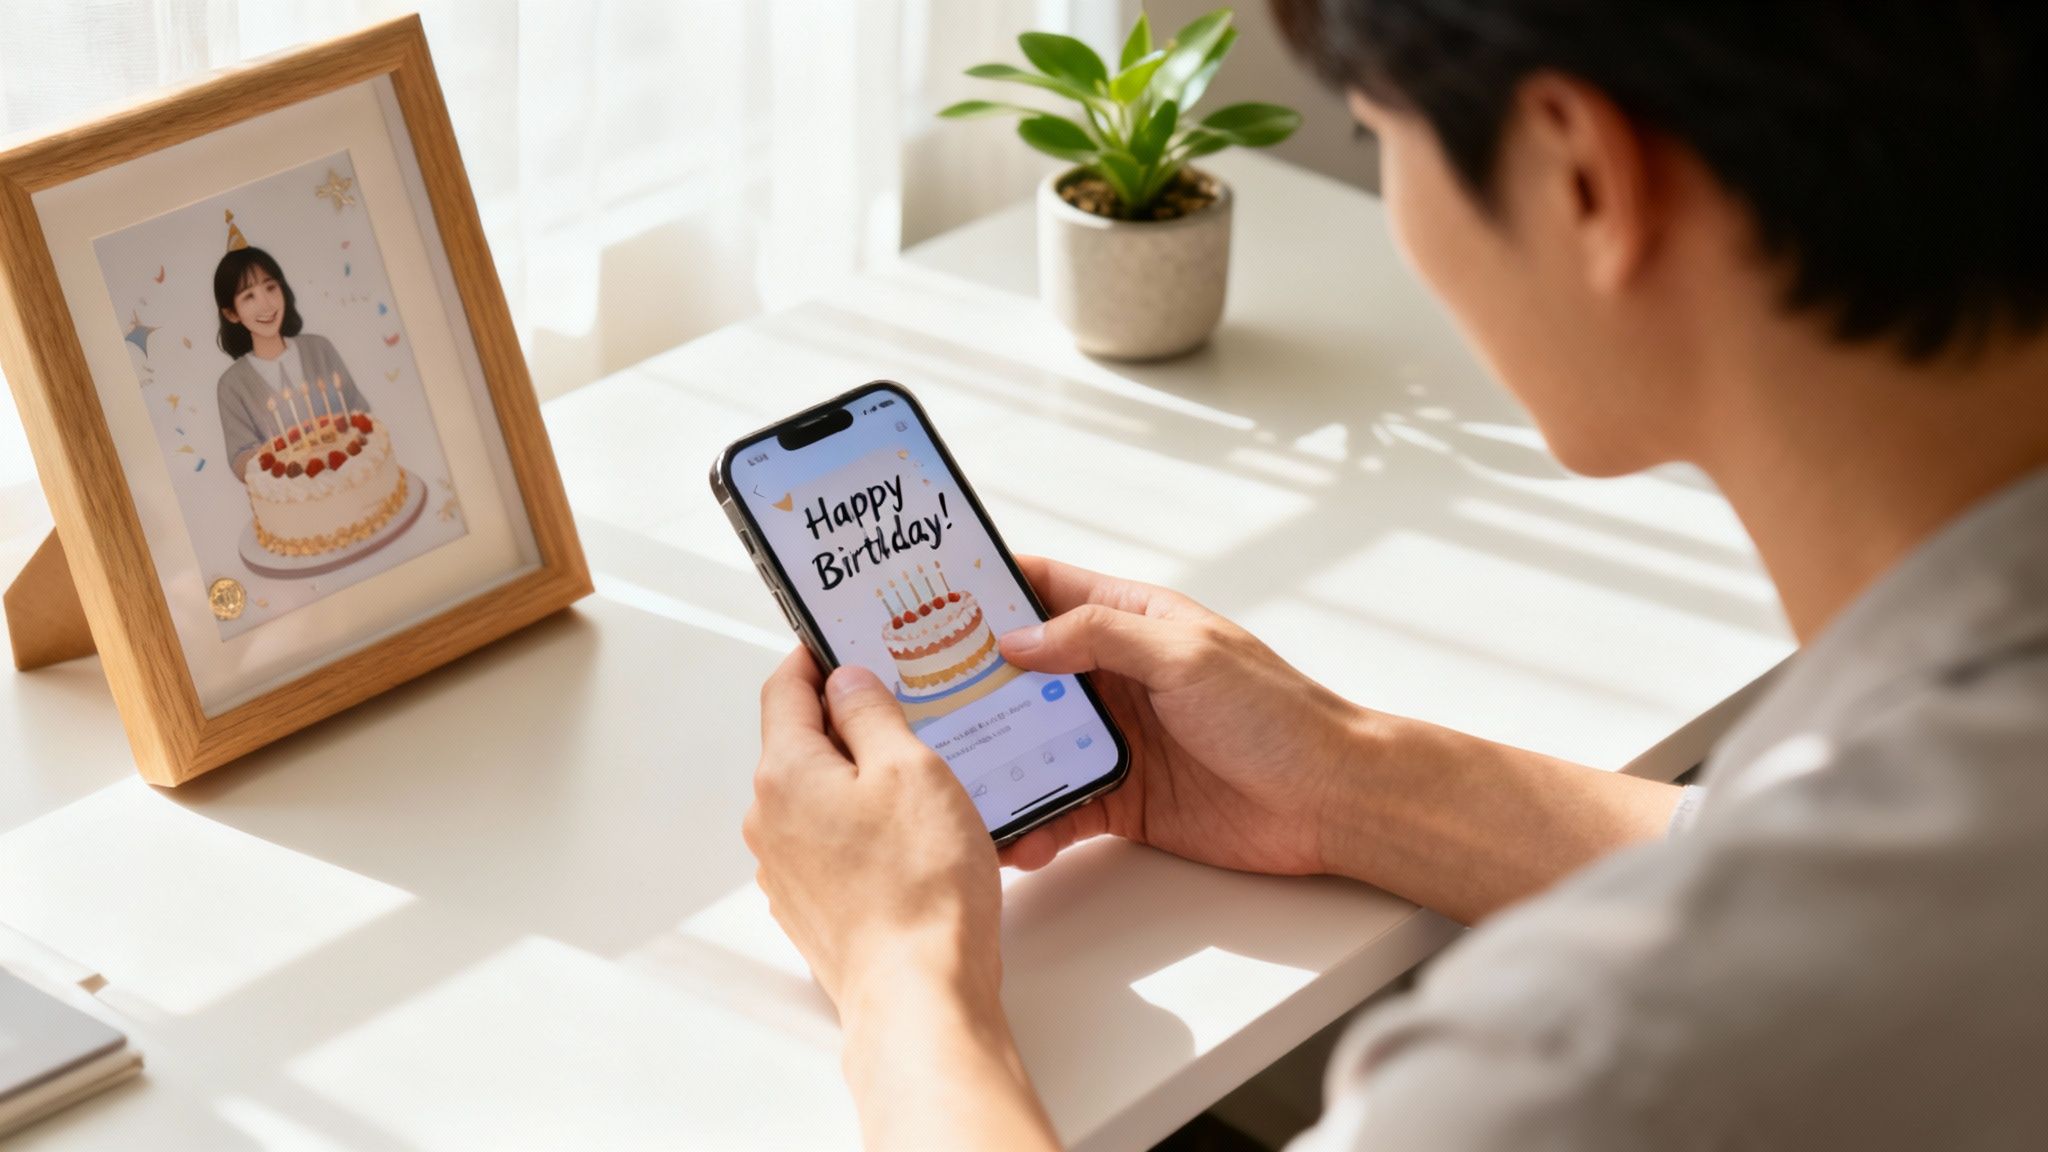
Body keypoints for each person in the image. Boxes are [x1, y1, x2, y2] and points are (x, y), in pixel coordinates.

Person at [744, 2, 2048, 1147]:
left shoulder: (1594, 1065)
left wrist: (903, 973)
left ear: (1579, 174)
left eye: (1377, 137)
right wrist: (1350, 777)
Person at [214, 218, 370, 482]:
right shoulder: (232, 385)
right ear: (231, 313)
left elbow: (358, 411)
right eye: (249, 296)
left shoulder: (320, 348)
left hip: (355, 479)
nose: (266, 304)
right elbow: (241, 458)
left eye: (271, 287)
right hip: (295, 506)